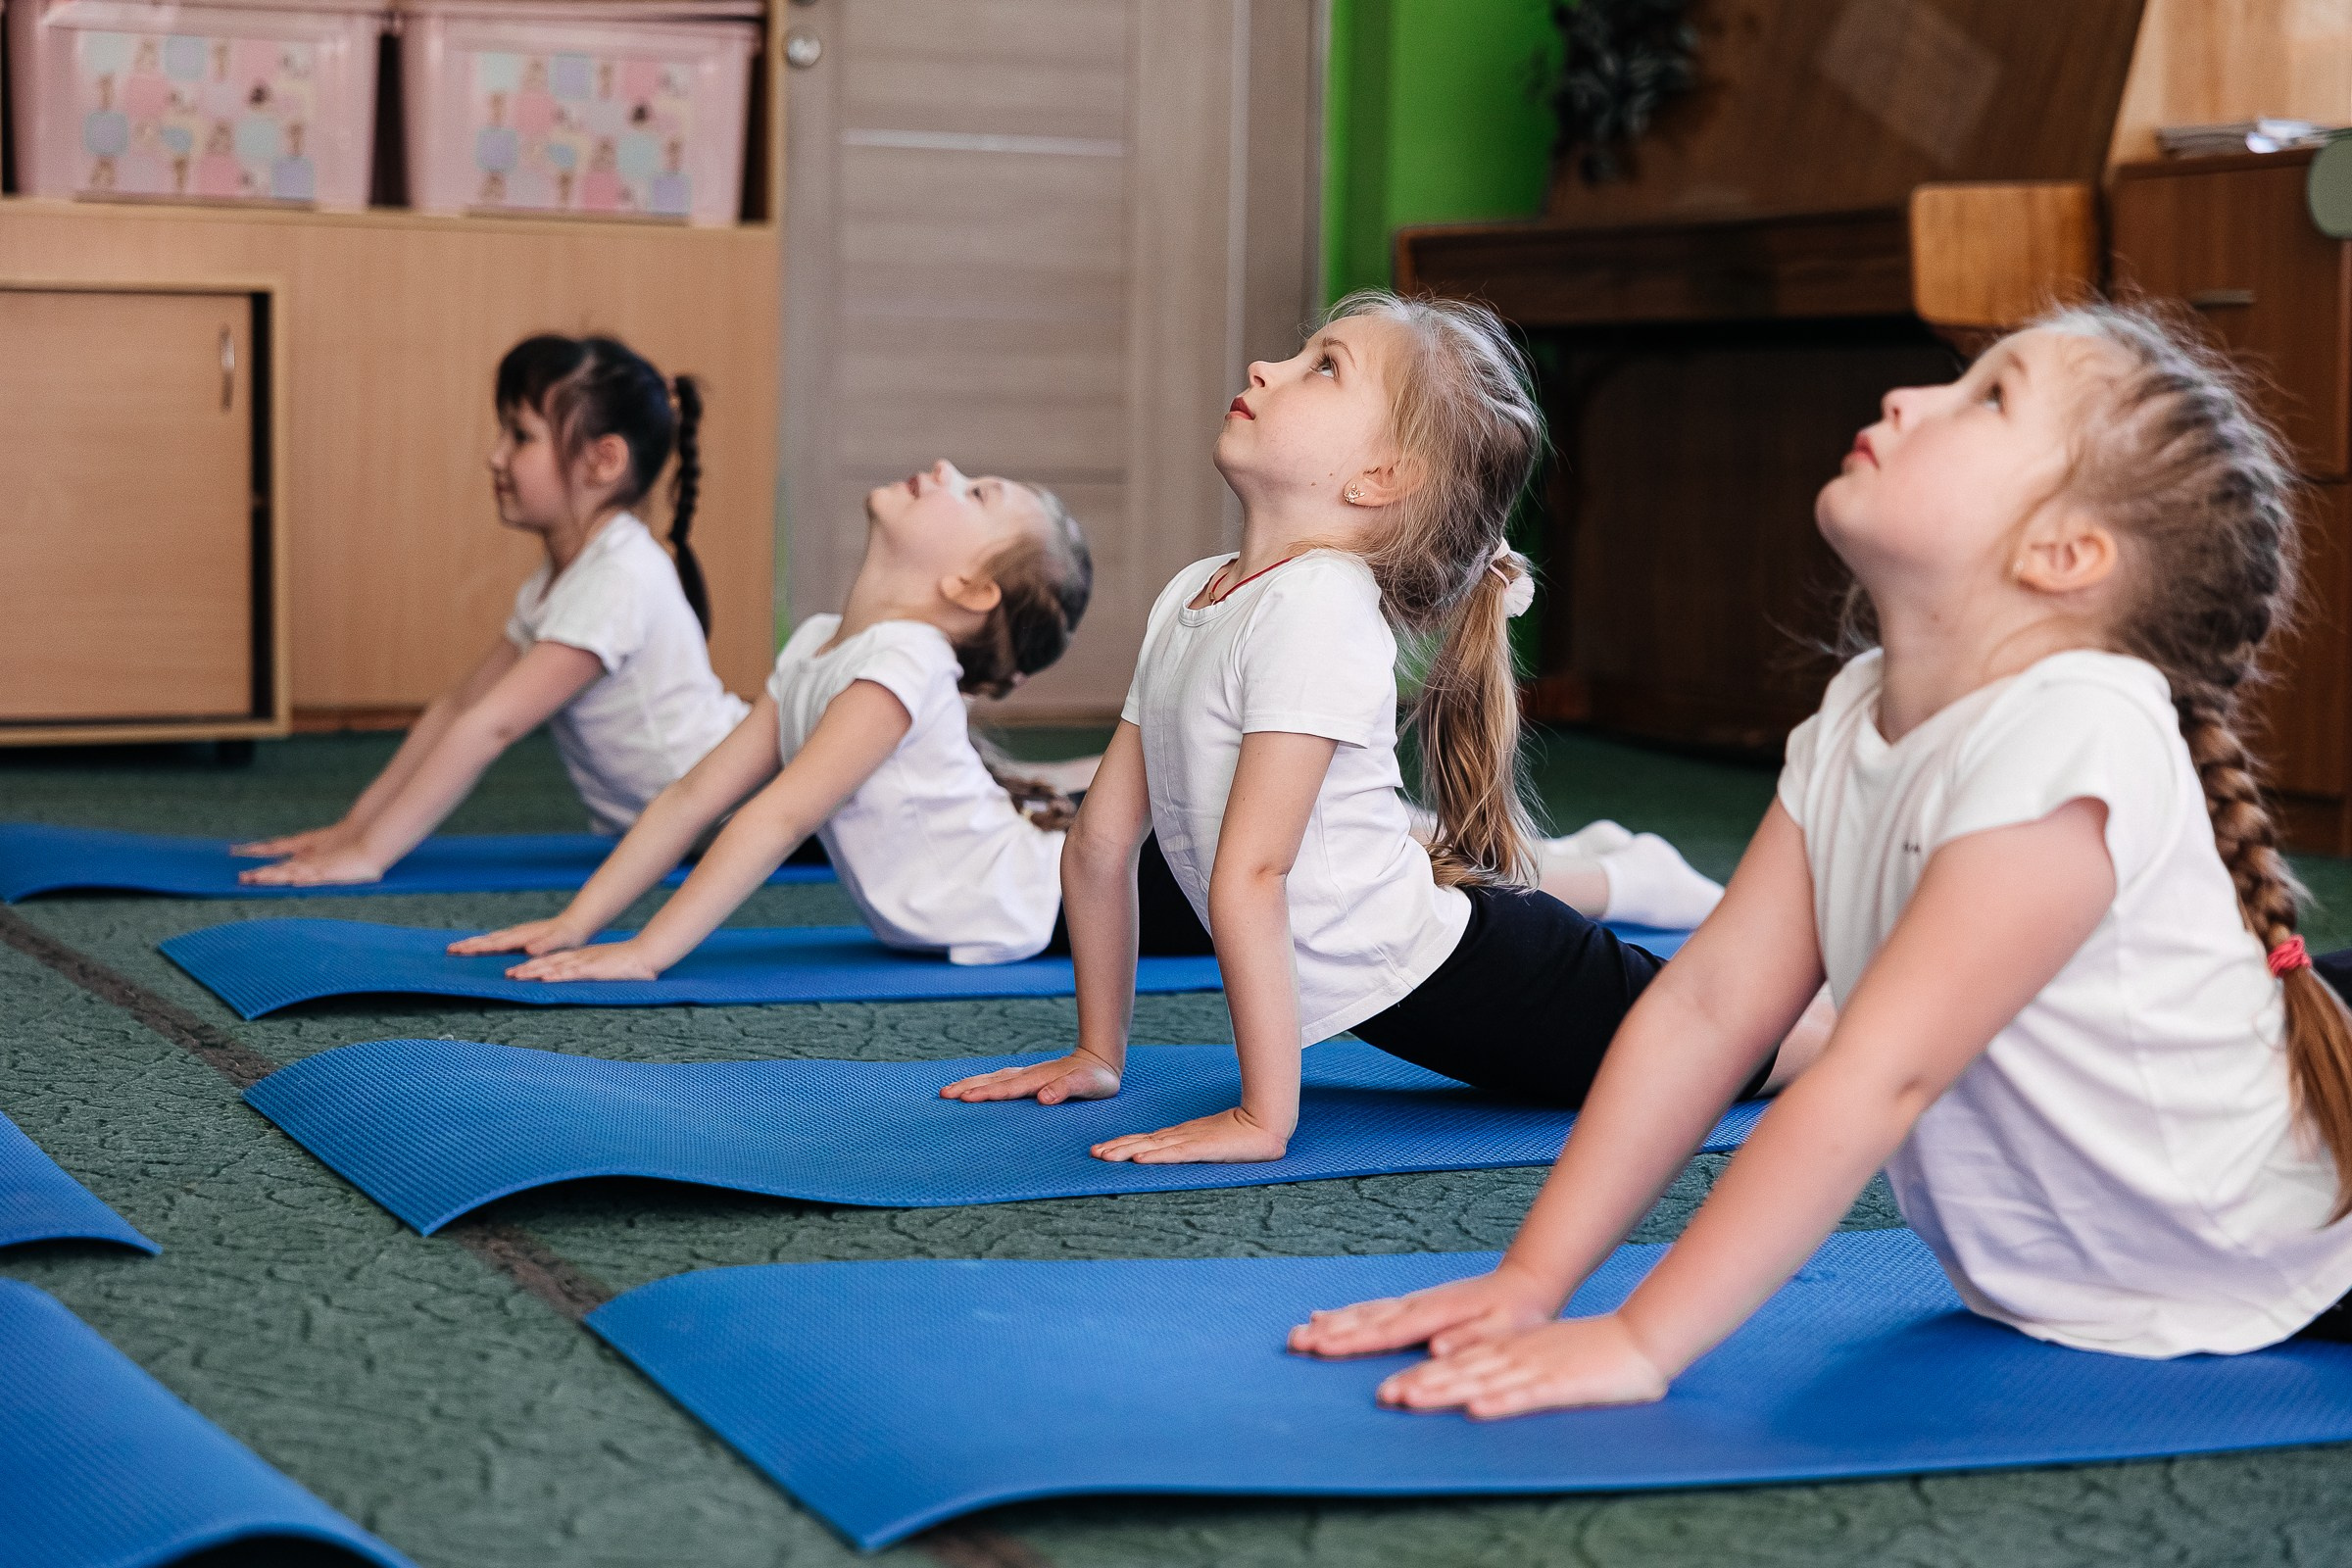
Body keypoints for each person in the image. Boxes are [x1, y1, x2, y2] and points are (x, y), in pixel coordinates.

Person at [1290, 305, 2352, 1415]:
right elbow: (1709, 1008)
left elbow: (1877, 1076)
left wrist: (1644, 1342)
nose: (1911, 397)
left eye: (1990, 397)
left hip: (2276, 1254)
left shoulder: (2080, 730)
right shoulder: (1858, 711)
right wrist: (1532, 1279)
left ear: (2065, 555)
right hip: (2089, 1282)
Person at [942, 291, 1828, 1161]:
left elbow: (1255, 871)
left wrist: (1263, 1119)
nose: (1267, 366)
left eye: (1323, 367)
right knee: (1720, 1019)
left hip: (1480, 975)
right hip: (1426, 979)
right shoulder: (1196, 592)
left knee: (1752, 1044)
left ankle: (1902, 1006)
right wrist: (1099, 1055)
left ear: (1383, 478)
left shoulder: (1320, 603)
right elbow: (1099, 843)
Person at [452, 459, 1212, 979]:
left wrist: (647, 952)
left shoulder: (904, 664)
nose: (946, 470)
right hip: (1040, 879)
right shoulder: (820, 644)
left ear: (971, 587)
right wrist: (576, 923)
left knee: (1273, 893)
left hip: (1060, 899)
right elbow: (693, 798)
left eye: (976, 493)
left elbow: (775, 820)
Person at [236, 334, 743, 885]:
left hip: (737, 812)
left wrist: (371, 856)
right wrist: (352, 830)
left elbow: (492, 727)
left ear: (603, 461)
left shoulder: (618, 580)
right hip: (691, 821)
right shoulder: (563, 579)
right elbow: (459, 708)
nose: (495, 456)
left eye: (521, 436)